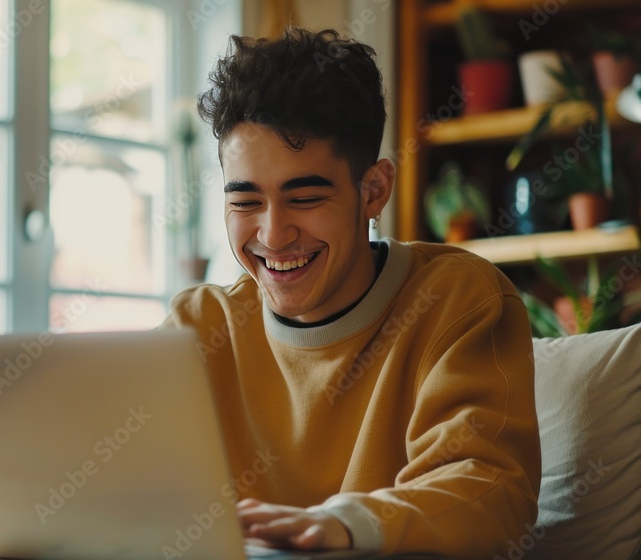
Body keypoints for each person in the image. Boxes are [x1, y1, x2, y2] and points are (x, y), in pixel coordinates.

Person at [160, 27, 541, 558]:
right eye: (246, 202)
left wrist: (345, 525)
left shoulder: (456, 298)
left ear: (373, 190)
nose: (272, 235)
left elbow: (491, 494)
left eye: (306, 196)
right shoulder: (196, 326)